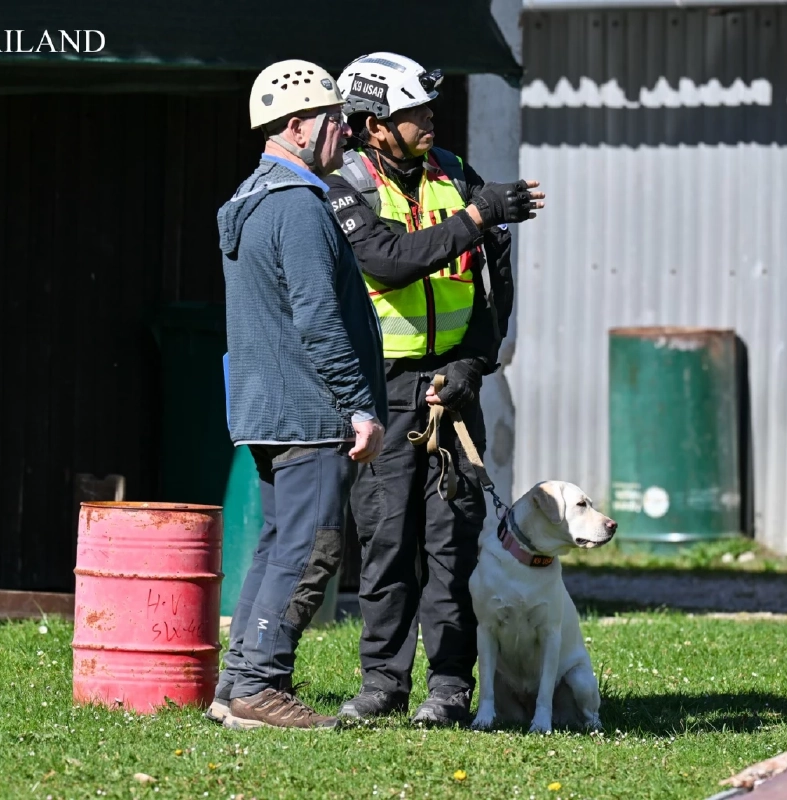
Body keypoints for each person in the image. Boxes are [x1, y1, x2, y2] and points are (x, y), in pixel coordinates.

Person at [324, 52, 544, 726]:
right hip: (383, 389)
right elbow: (387, 263)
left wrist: (479, 362)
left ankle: (449, 687)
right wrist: (476, 218)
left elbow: (493, 279)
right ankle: (382, 685)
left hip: (455, 384)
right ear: (372, 127)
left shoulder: (455, 172)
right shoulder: (342, 185)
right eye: (411, 112)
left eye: (426, 109)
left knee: (452, 544)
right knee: (388, 543)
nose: (428, 120)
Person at [209, 59, 388, 730]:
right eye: (335, 120)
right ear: (296, 126)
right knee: (310, 547)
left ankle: (235, 684)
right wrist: (358, 404)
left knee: (280, 541)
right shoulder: (298, 207)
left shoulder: (249, 201)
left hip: (262, 405)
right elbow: (317, 315)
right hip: (309, 408)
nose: (346, 131)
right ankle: (260, 684)